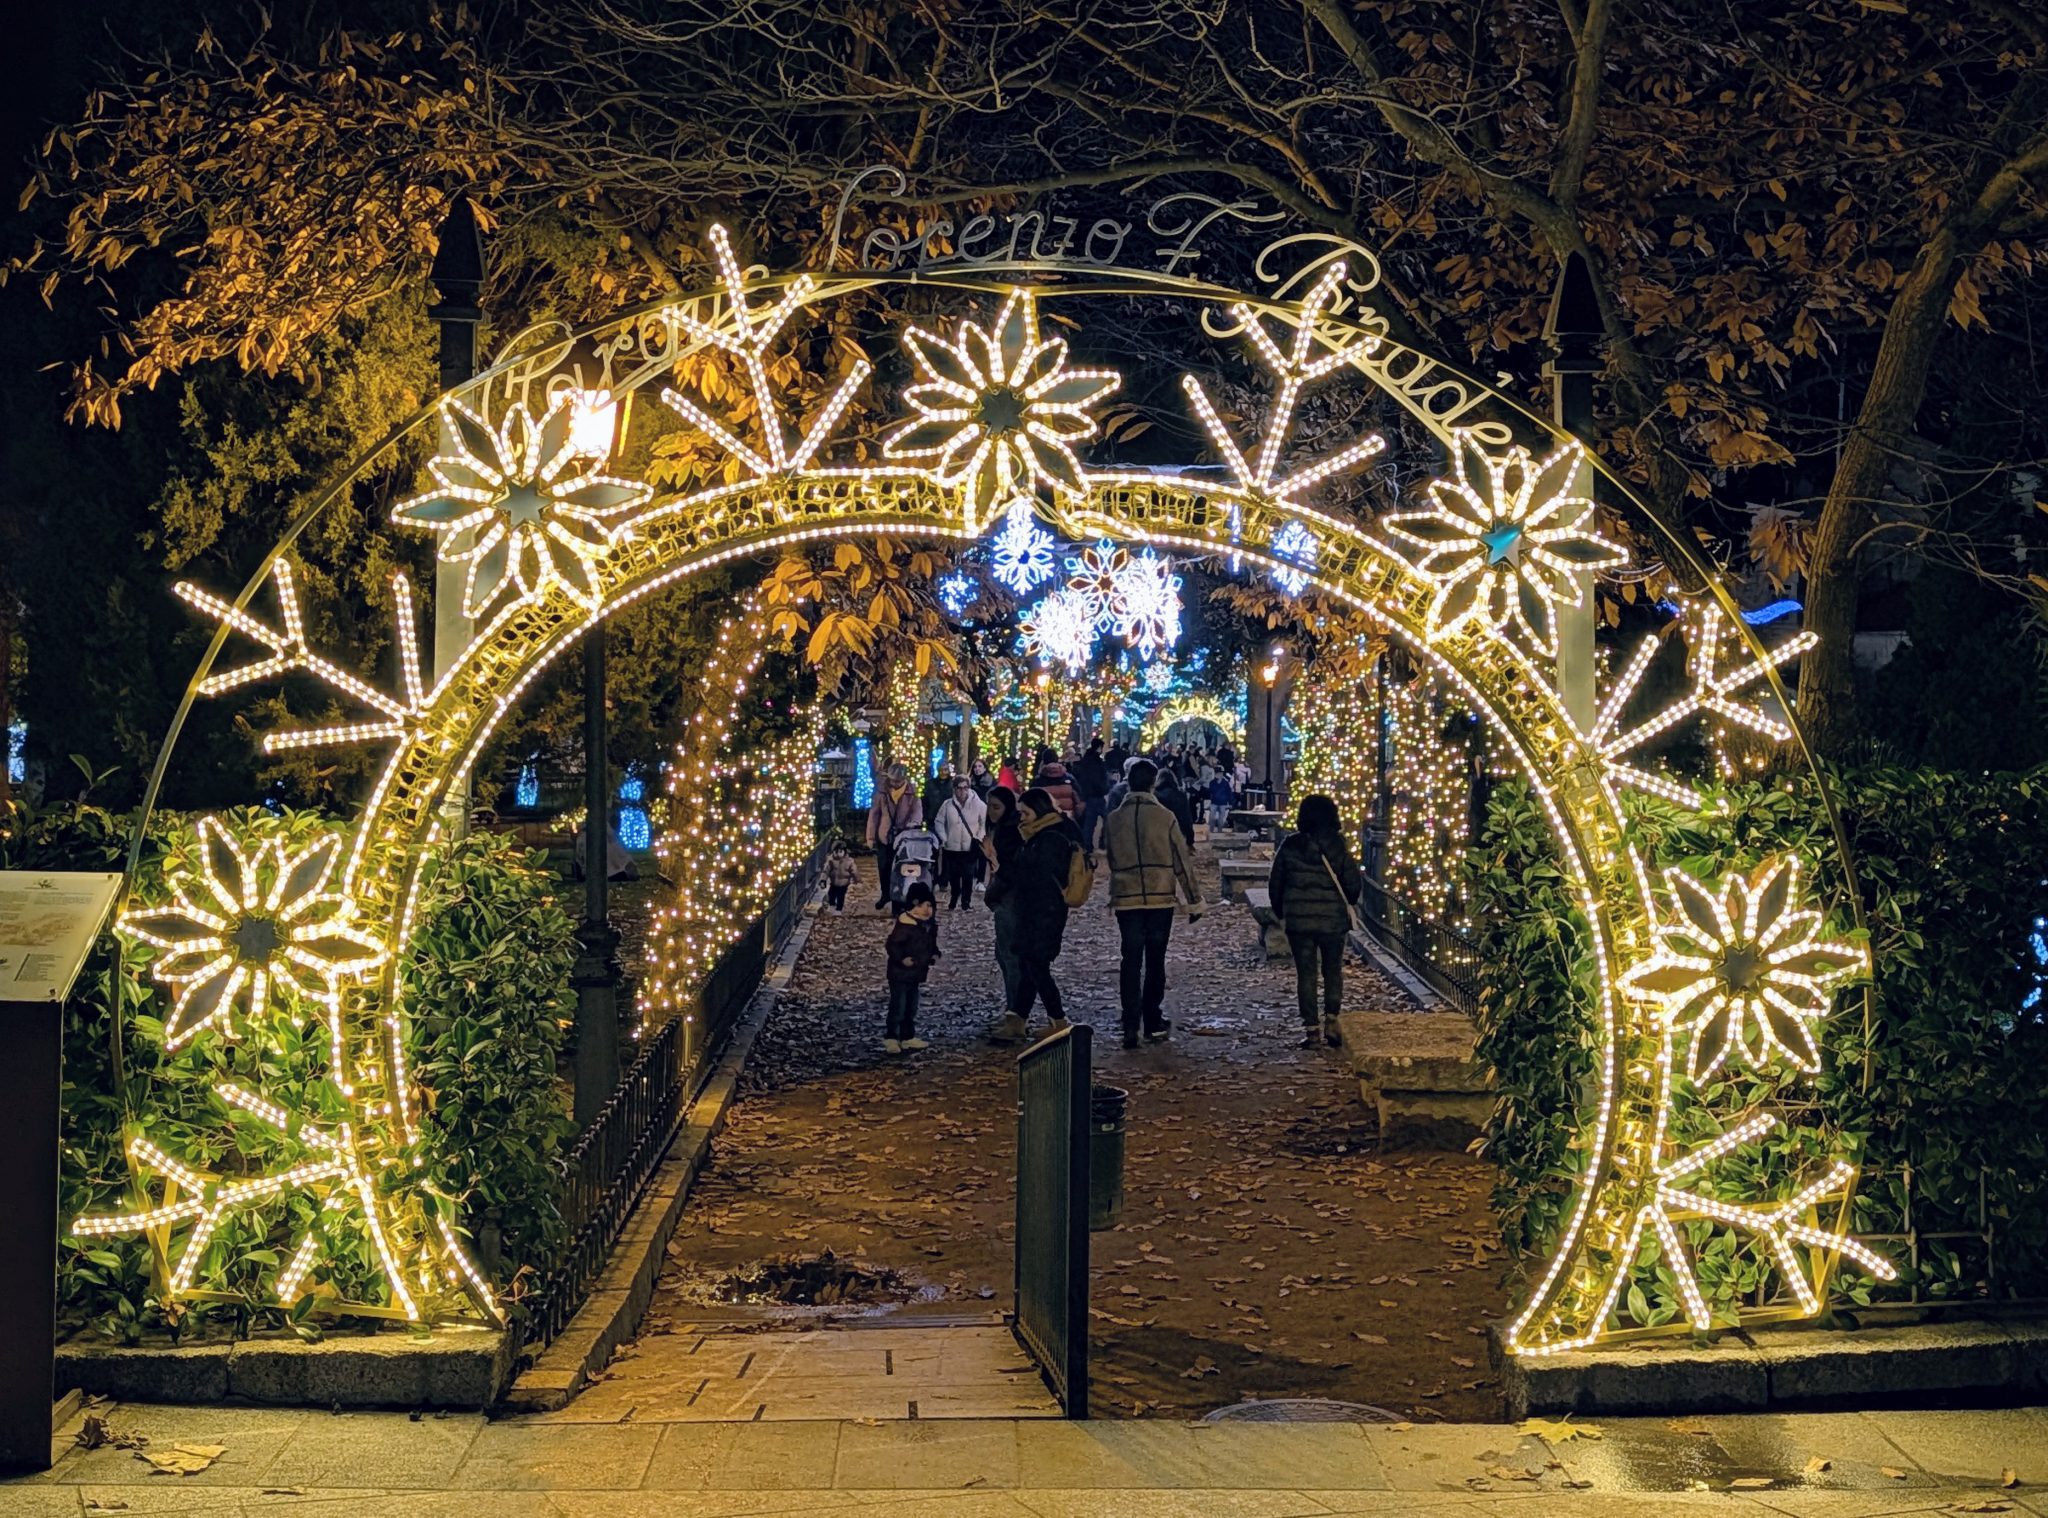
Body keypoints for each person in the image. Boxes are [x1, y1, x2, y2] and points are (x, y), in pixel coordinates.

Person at [1102, 759, 1206, 1049]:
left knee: (1130, 959)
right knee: (1156, 959)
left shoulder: (1114, 819)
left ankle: (1130, 1021)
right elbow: (1181, 862)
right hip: (1160, 895)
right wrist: (1194, 900)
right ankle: (1152, 1019)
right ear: (1152, 784)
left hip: (1126, 895)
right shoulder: (1165, 817)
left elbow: (1110, 857)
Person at [1267, 793, 1365, 1048]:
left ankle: (1311, 1029)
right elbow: (1353, 883)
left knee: (1306, 974)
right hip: (1332, 921)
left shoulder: (1290, 845)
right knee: (1333, 970)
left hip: (1300, 923)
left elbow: (1275, 883)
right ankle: (1332, 1019)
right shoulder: (1338, 846)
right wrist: (1348, 903)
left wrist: (1281, 912)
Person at [984, 787, 1082, 1041]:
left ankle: (1058, 1020)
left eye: (1025, 813)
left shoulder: (1048, 839)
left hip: (1043, 912)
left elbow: (1036, 876)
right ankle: (1017, 1019)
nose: (1022, 818)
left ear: (1038, 812)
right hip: (1037, 910)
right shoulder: (1046, 834)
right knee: (1030, 965)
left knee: (1037, 966)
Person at [979, 785, 1028, 1037]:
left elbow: (1010, 871)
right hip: (1004, 897)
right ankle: (1014, 1012)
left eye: (996, 807)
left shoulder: (1009, 833)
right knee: (1004, 955)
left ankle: (1016, 1014)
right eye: (989, 806)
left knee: (1010, 957)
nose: (991, 812)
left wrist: (994, 860)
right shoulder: (1000, 829)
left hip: (1011, 898)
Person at [883, 881, 940, 1054]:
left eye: (929, 905)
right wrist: (902, 959)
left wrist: (934, 954)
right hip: (900, 973)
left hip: (916, 973)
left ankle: (908, 1037)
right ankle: (892, 1036)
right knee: (898, 1006)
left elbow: (929, 945)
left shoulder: (928, 926)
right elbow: (892, 946)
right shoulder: (906, 925)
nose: (926, 910)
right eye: (922, 905)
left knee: (911, 1007)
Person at [865, 761, 923, 910]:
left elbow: (917, 810)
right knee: (884, 867)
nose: (895, 784)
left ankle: (898, 900)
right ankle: (886, 894)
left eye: (898, 781)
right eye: (892, 781)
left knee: (900, 869)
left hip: (903, 836)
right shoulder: (881, 791)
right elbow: (874, 814)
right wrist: (870, 837)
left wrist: (913, 823)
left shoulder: (912, 792)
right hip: (885, 835)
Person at [931, 773, 988, 909]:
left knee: (968, 875)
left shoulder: (978, 804)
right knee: (954, 875)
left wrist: (979, 837)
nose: (962, 791)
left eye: (965, 788)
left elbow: (984, 822)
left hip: (970, 846)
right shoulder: (947, 805)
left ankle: (966, 902)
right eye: (959, 788)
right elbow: (939, 822)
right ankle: (954, 897)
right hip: (952, 846)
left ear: (969, 788)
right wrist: (944, 838)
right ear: (954, 789)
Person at [1072, 738, 1111, 862]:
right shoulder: (1095, 761)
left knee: (1090, 823)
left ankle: (1087, 846)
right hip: (1096, 795)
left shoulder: (1086, 760)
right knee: (1106, 819)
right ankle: (1101, 843)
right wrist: (1104, 788)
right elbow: (1097, 779)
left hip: (1089, 796)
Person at [1033, 756, 1083, 823]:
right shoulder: (1069, 778)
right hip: (1068, 817)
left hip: (1047, 818)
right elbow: (1078, 798)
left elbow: (1033, 799)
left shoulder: (1039, 780)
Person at [1155, 767, 1197, 846]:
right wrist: (1190, 839)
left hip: (1158, 834)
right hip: (1177, 832)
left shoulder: (1154, 795)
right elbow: (1186, 817)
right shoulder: (1180, 795)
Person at [824, 839, 858, 912]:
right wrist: (823, 880)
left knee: (840, 896)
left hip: (844, 883)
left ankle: (839, 909)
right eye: (836, 852)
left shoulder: (849, 861)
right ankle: (832, 905)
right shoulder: (831, 860)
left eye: (840, 851)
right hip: (834, 882)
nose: (838, 854)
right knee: (831, 894)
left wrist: (856, 878)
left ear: (844, 851)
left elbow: (854, 870)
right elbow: (826, 871)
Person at [1206, 766, 1236, 832]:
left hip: (1223, 803)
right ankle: (1211, 831)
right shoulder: (1212, 783)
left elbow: (1229, 793)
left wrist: (1230, 803)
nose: (1219, 774)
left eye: (1220, 773)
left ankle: (1219, 831)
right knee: (1212, 818)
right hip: (1214, 802)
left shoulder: (1225, 783)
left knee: (1221, 819)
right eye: (1218, 773)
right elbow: (1210, 792)